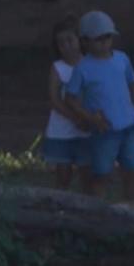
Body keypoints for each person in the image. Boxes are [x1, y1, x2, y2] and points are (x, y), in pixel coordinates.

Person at [63, 11, 134, 201]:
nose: (105, 42)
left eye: (108, 37)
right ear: (85, 41)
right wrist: (89, 117)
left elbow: (133, 88)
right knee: (101, 175)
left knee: (132, 171)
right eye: (98, 38)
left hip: (129, 126)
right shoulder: (82, 68)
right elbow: (70, 98)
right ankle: (97, 211)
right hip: (104, 131)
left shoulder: (122, 59)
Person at [42, 16, 91, 190]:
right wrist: (75, 118)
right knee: (63, 175)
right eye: (61, 43)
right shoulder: (58, 67)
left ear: (80, 40)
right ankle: (60, 204)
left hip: (86, 129)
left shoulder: (90, 65)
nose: (66, 46)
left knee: (87, 175)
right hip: (62, 130)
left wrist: (89, 120)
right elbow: (54, 99)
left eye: (70, 40)